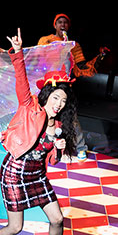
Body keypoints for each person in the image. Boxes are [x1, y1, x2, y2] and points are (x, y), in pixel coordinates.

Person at [0, 28, 77, 235]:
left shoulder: (58, 125)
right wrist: (17, 53)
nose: (59, 104)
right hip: (15, 173)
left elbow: (52, 163)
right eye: (56, 98)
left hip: (37, 175)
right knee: (15, 227)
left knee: (57, 219)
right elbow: (21, 80)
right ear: (47, 96)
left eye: (63, 101)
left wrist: (58, 149)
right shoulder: (30, 107)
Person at [37, 13, 110, 161]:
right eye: (60, 22)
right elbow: (37, 58)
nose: (62, 25)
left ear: (68, 26)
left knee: (71, 117)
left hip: (64, 86)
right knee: (42, 115)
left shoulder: (73, 45)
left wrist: (100, 57)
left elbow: (82, 67)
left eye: (65, 23)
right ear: (55, 25)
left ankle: (81, 148)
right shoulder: (46, 40)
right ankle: (40, 145)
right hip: (48, 86)